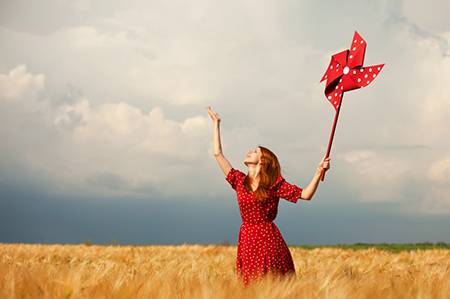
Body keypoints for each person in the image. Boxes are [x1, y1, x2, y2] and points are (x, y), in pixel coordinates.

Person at [206, 106, 330, 286]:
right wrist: (216, 124)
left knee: (272, 285)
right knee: (249, 286)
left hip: (268, 240)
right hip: (247, 238)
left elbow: (305, 194)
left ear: (263, 160)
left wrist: (319, 172)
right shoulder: (239, 181)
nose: (250, 151)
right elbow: (218, 154)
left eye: (255, 151)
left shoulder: (273, 184)